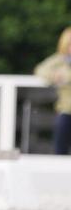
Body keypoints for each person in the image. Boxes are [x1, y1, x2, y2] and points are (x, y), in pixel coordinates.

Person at [34, 26, 71, 155]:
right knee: (60, 148)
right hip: (66, 111)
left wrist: (66, 76)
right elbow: (40, 70)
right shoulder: (60, 60)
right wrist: (54, 76)